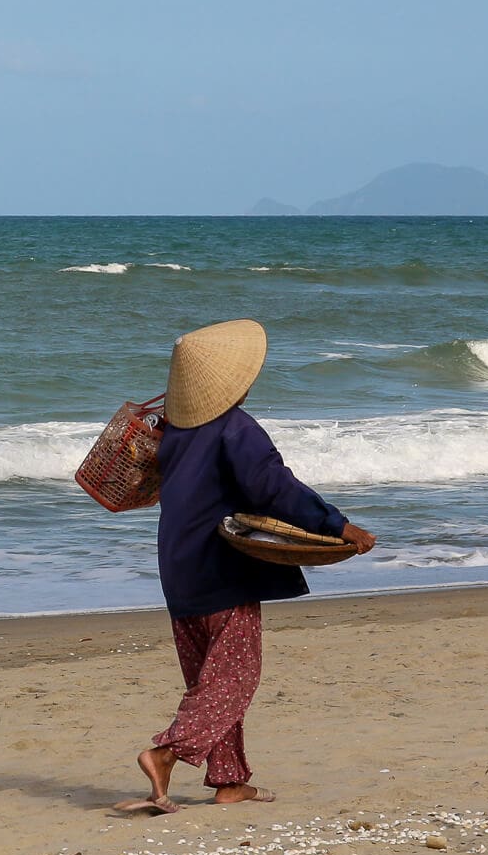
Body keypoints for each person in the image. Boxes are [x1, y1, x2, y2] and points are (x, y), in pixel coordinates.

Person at [124, 318, 375, 813]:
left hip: (177, 566)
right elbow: (273, 489)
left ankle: (231, 782)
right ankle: (165, 754)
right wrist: (338, 525)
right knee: (235, 677)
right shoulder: (236, 428)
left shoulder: (173, 432)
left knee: (209, 683)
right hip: (222, 568)